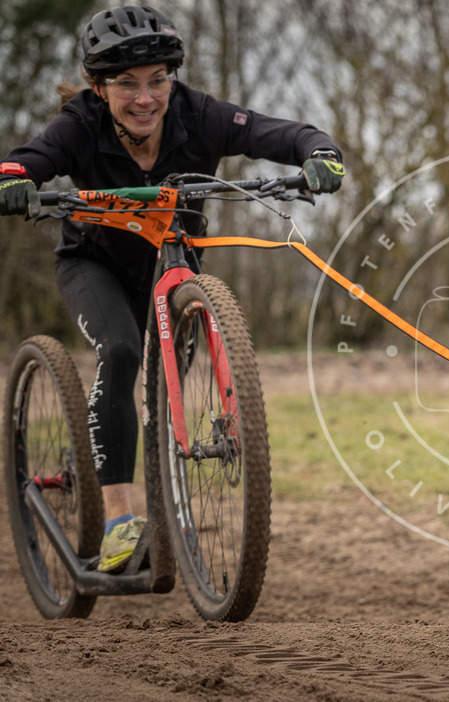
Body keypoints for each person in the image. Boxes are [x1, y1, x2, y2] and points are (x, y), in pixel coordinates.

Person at [0, 6, 344, 572]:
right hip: (95, 264)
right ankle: (116, 522)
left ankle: (166, 514)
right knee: (120, 352)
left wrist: (319, 152)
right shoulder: (80, 123)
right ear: (98, 86)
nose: (145, 98)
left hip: (176, 268)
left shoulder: (198, 113)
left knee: (163, 391)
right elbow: (32, 159)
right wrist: (16, 180)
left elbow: (277, 132)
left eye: (158, 80)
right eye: (127, 84)